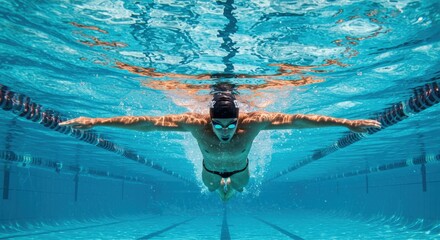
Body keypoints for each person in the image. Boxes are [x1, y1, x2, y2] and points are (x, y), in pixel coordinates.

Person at [59, 85, 381, 201]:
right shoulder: (197, 126)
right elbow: (148, 124)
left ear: (239, 119)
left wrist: (349, 123)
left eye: (230, 124)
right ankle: (221, 186)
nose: (224, 131)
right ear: (209, 119)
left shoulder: (251, 124)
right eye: (218, 124)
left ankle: (229, 186)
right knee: (216, 190)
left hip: (239, 168)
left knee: (236, 189)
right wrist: (93, 122)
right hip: (210, 169)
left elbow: (299, 119)